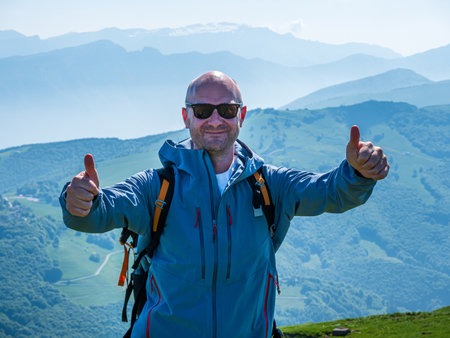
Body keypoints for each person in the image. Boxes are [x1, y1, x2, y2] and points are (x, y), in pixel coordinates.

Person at [60, 71, 389, 338]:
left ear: (241, 115)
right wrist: (78, 201)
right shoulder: (156, 187)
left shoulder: (269, 184)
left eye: (227, 110)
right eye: (202, 111)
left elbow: (331, 191)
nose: (215, 119)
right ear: (186, 116)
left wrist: (358, 173)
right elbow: (103, 209)